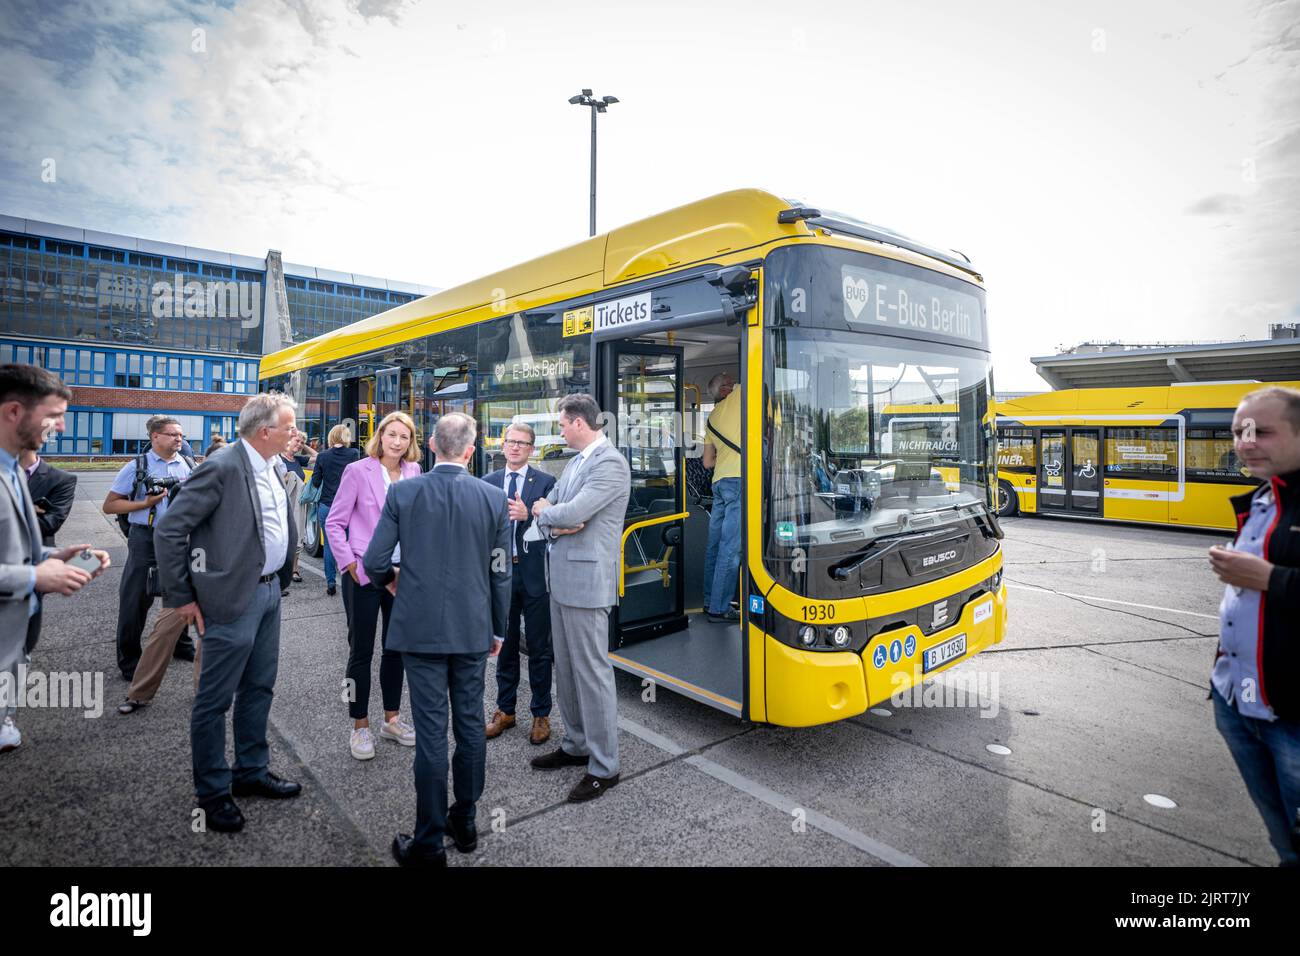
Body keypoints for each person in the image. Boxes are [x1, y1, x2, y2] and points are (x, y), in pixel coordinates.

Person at [364, 412, 510, 867]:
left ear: (430, 444)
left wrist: (392, 581)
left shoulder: (403, 492)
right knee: (470, 726)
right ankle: (464, 821)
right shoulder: (493, 497)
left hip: (419, 629)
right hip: (472, 630)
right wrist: (498, 627)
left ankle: (428, 842)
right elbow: (501, 572)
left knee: (430, 734)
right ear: (471, 450)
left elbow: (373, 561)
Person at [154, 393, 301, 834]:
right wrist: (182, 597)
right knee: (214, 701)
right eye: (289, 426)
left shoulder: (273, 465)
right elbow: (169, 529)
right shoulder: (221, 467)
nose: (295, 433)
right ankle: (214, 792)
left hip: (271, 592)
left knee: (259, 687)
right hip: (232, 599)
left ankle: (251, 772)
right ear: (265, 431)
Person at [1208, 385, 1300, 867]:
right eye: (1238, 432)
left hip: (1291, 717)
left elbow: (1271, 583)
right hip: (1238, 705)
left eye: (1261, 431)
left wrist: (1271, 580)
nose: (1245, 443)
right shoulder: (1262, 500)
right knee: (1284, 840)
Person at [1, 364, 110, 754]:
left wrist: (54, 555)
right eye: (54, 417)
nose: (62, 428)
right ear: (14, 412)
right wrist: (33, 577)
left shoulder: (12, 469)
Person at [530, 393, 631, 802]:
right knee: (567, 670)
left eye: (561, 424)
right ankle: (576, 746)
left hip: (587, 584)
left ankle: (605, 767)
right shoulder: (575, 463)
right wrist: (556, 517)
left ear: (578, 422)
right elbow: (558, 509)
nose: (558, 430)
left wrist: (552, 515)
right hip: (562, 579)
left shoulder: (610, 464)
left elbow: (568, 512)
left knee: (592, 674)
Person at [326, 411, 421, 760]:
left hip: (402, 575)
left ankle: (391, 720)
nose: (397, 442)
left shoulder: (414, 472)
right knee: (360, 652)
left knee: (396, 649)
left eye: (404, 437)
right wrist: (350, 564)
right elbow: (334, 522)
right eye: (391, 435)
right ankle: (360, 726)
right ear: (380, 436)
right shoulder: (357, 470)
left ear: (411, 442)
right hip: (363, 574)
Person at [102, 415, 197, 681]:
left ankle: (182, 645)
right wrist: (145, 504)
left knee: (180, 594)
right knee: (135, 601)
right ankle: (130, 661)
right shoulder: (136, 467)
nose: (179, 439)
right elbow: (110, 505)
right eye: (172, 434)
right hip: (145, 538)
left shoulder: (189, 464)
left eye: (181, 435)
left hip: (180, 539)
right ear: (155, 437)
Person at [481, 422, 557, 745]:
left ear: (531, 449)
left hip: (534, 574)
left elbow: (555, 525)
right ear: (502, 445)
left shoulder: (546, 482)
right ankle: (505, 710)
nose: (515, 447)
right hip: (501, 575)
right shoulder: (488, 482)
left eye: (522, 443)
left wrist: (530, 515)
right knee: (506, 646)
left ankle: (541, 713)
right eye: (511, 441)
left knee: (540, 648)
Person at [700, 372, 742, 623]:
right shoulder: (739, 395)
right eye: (729, 379)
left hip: (720, 483)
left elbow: (707, 462)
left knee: (715, 546)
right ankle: (719, 608)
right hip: (739, 482)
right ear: (726, 389)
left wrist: (725, 457)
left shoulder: (712, 417)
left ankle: (709, 600)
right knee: (731, 547)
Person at [311, 424, 360, 597]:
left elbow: (316, 482)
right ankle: (349, 580)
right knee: (348, 545)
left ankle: (331, 583)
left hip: (327, 507)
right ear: (346, 437)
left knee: (331, 546)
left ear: (332, 437)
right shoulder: (353, 454)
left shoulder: (323, 456)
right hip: (348, 508)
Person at [278, 433, 307, 588]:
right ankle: (282, 569)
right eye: (298, 441)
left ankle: (295, 569)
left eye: (302, 442)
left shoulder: (299, 460)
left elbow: (319, 456)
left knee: (297, 535)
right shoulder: (278, 459)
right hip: (283, 505)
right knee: (283, 537)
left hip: (297, 505)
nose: (300, 444)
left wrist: (303, 446)